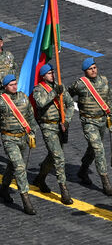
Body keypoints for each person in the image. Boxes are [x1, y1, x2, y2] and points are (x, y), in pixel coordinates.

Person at [0, 74, 38, 215]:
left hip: (22, 138)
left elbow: (30, 115)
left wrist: (32, 132)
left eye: (15, 84)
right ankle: (26, 200)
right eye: (11, 85)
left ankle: (4, 190)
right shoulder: (0, 102)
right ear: (5, 87)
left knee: (12, 166)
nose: (14, 87)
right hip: (9, 139)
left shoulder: (23, 98)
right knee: (20, 168)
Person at [69, 57, 112, 196]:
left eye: (94, 68)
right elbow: (67, 96)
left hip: (102, 121)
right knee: (99, 149)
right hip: (89, 122)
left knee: (92, 149)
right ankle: (105, 182)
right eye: (90, 69)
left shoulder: (104, 81)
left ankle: (83, 170)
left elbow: (109, 99)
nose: (93, 70)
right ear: (85, 71)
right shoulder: (80, 85)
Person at [32, 64, 74, 205]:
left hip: (60, 126)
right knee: (59, 158)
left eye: (53, 72)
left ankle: (40, 178)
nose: (52, 75)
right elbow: (40, 103)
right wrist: (54, 93)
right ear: (43, 76)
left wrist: (67, 121)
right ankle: (64, 191)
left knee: (52, 156)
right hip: (48, 127)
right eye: (49, 73)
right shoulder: (38, 89)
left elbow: (70, 104)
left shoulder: (59, 86)